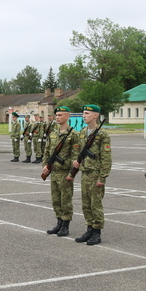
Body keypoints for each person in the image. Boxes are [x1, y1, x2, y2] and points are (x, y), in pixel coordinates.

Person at [71, 104, 111, 245]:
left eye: (87, 113)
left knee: (95, 205)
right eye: (83, 113)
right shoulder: (82, 132)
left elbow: (106, 158)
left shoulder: (102, 134)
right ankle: (89, 229)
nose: (84, 115)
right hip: (85, 172)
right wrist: (76, 162)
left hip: (95, 173)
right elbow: (77, 152)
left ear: (95, 115)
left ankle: (97, 233)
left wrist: (102, 177)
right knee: (86, 204)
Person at [42, 106, 80, 237]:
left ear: (67, 117)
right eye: (56, 115)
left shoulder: (74, 135)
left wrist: (71, 172)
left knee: (66, 200)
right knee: (56, 200)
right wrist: (45, 166)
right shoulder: (53, 133)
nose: (57, 117)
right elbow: (47, 152)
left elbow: (76, 156)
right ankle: (59, 222)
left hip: (64, 173)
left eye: (60, 115)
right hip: (54, 172)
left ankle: (65, 225)